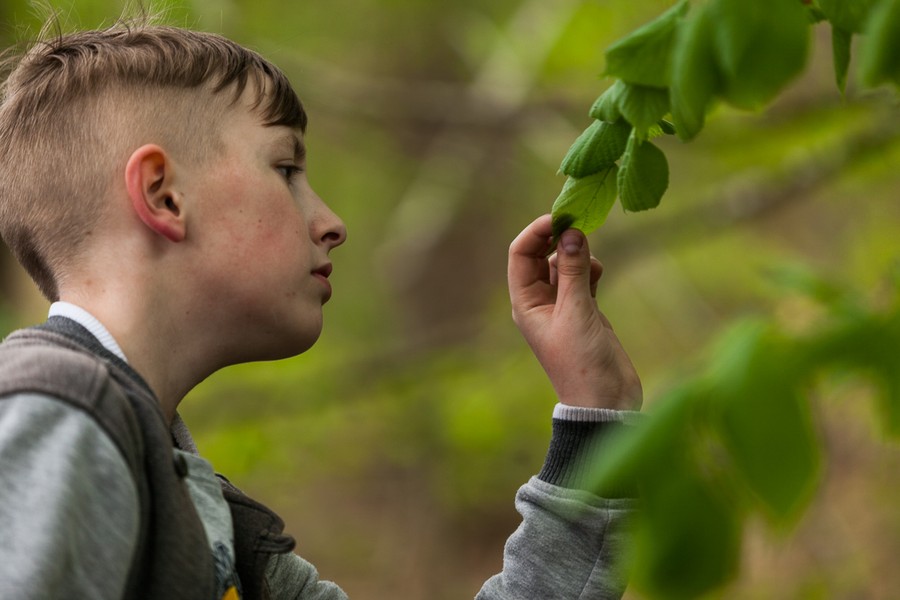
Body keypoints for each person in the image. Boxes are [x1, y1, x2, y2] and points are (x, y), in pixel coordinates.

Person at [0, 15, 643, 600]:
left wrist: (597, 410)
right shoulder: (56, 418)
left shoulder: (216, 525)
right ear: (164, 197)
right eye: (286, 169)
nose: (332, 223)